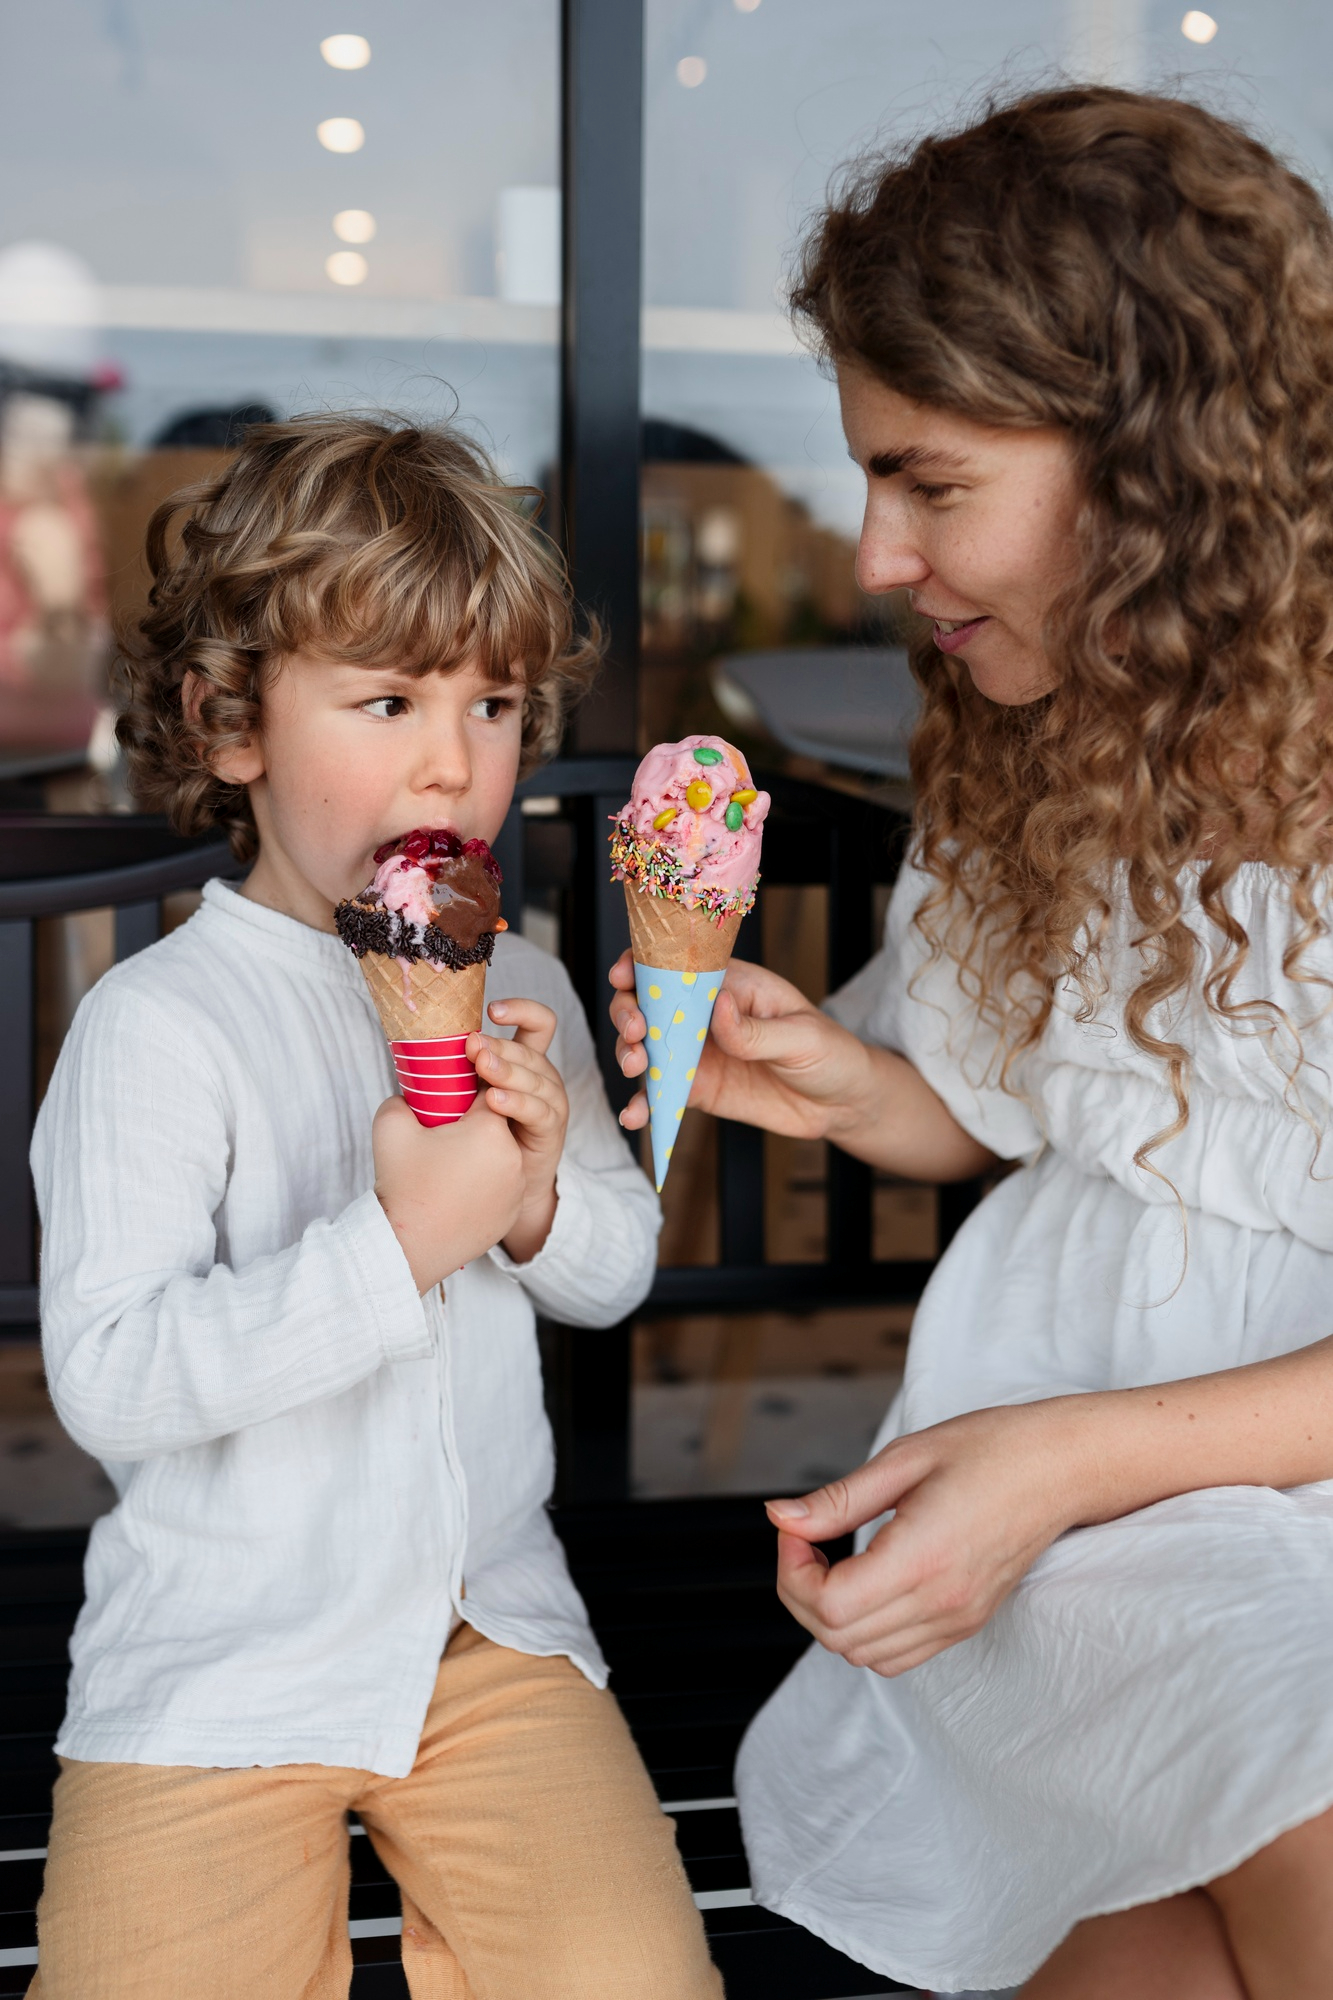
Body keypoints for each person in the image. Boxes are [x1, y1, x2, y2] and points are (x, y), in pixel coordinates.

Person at [611, 86, 1333, 2000]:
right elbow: (1013, 1123)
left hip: (1184, 1492)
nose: (868, 554)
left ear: (1162, 465)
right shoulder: (1044, 755)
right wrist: (845, 1083)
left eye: (929, 483)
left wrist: (1070, 1464)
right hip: (1075, 1533)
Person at [30, 415, 722, 2000]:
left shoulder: (525, 981)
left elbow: (610, 1280)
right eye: (390, 699)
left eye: (491, 704)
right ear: (230, 726)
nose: (450, 759)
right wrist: (407, 1238)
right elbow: (117, 1379)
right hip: (215, 1663)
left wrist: (538, 1195)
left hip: (492, 1645)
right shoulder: (164, 1024)